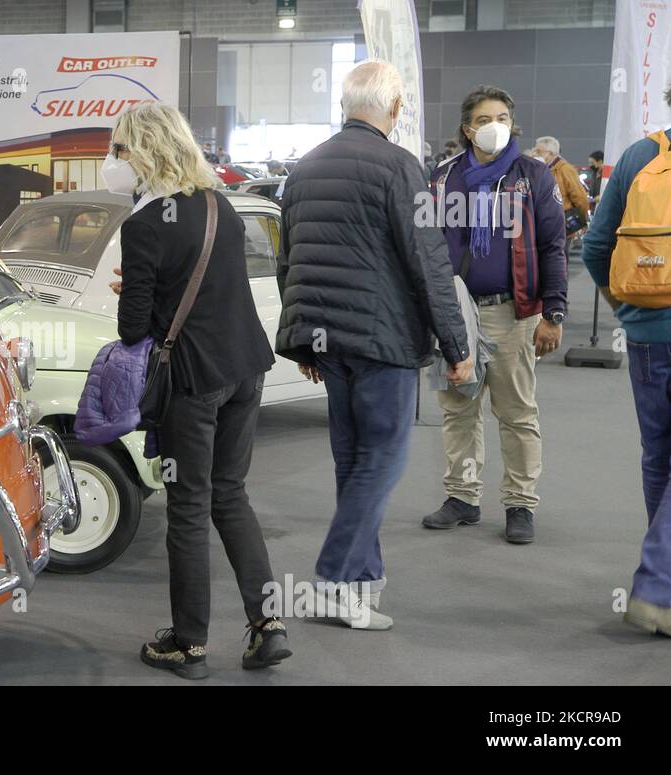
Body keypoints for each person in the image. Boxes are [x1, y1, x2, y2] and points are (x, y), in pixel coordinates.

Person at [277, 60, 472, 631]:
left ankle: (358, 588)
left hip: (329, 343)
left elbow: (293, 262)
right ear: (393, 108)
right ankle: (336, 579)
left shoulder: (304, 169)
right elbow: (428, 261)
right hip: (382, 342)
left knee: (353, 462)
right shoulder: (399, 166)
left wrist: (304, 345)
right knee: (382, 460)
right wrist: (456, 345)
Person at [106, 101, 291, 678]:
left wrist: (135, 290)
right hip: (245, 370)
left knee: (188, 506)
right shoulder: (221, 207)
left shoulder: (143, 224)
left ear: (145, 151)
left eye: (120, 149)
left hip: (192, 382)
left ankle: (188, 644)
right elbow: (211, 287)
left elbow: (133, 329)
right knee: (229, 495)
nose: (114, 161)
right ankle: (268, 626)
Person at [424, 85, 568, 544]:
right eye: (487, 119)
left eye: (504, 117)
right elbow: (426, 244)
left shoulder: (532, 175)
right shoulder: (444, 178)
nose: (497, 126)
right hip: (456, 314)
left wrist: (554, 311)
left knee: (517, 413)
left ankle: (520, 504)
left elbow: (552, 245)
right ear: (468, 129)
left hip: (514, 313)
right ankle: (462, 497)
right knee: (458, 409)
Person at [581, 87, 671, 636]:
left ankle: (665, 591)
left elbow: (595, 248)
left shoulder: (640, 156)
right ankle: (657, 586)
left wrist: (630, 310)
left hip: (646, 337)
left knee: (659, 457)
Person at [534, 135, 590, 240]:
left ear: (549, 153)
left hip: (562, 226)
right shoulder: (543, 170)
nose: (535, 154)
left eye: (538, 151)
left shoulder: (565, 169)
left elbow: (580, 198)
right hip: (545, 225)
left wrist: (579, 219)